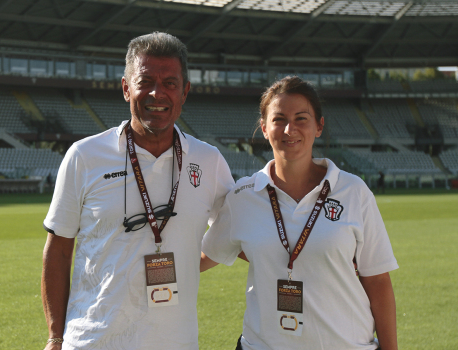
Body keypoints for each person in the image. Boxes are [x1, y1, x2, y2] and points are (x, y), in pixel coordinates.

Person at [41, 32, 234, 350]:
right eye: (145, 81)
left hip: (176, 343)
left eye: (170, 83)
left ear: (184, 92)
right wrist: (55, 336)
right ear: (126, 87)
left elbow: (240, 231)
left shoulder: (208, 160)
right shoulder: (85, 156)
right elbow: (59, 249)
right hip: (93, 341)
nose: (157, 93)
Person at [201, 76, 398, 350]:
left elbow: (377, 282)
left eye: (301, 118)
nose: (289, 129)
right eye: (279, 119)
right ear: (265, 128)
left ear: (319, 126)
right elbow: (205, 256)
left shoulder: (354, 191)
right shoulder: (242, 196)